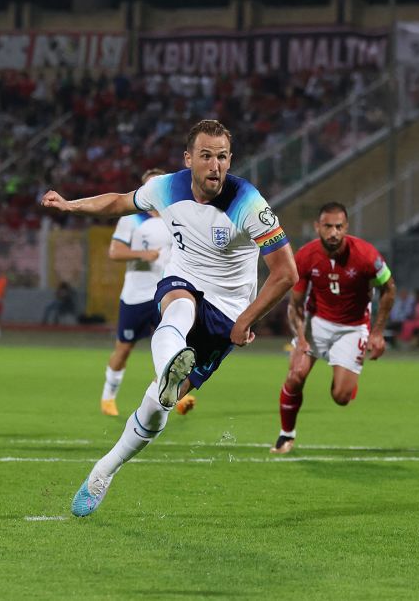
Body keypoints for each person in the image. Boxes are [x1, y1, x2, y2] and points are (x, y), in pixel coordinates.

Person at [41, 118, 297, 517]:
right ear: (188, 158)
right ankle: (168, 374)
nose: (215, 165)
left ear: (231, 161)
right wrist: (71, 204)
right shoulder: (167, 187)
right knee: (177, 306)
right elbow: (118, 201)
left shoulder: (249, 202)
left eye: (223, 157)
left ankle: (105, 466)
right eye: (207, 156)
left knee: (156, 409)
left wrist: (247, 319)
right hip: (185, 277)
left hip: (228, 309)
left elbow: (286, 273)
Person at [270, 201, 396, 454]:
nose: (333, 232)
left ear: (346, 227)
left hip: (353, 326)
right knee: (295, 376)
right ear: (318, 227)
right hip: (317, 323)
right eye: (328, 226)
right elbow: (294, 305)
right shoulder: (305, 256)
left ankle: (347, 378)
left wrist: (378, 332)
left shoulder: (367, 255)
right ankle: (286, 436)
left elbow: (389, 289)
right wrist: (301, 338)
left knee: (341, 397)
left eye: (339, 226)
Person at [100, 169, 180, 417]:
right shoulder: (131, 218)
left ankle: (171, 398)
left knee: (171, 347)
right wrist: (142, 255)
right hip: (135, 296)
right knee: (123, 349)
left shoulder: (176, 217)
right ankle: (108, 397)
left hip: (164, 295)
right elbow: (114, 252)